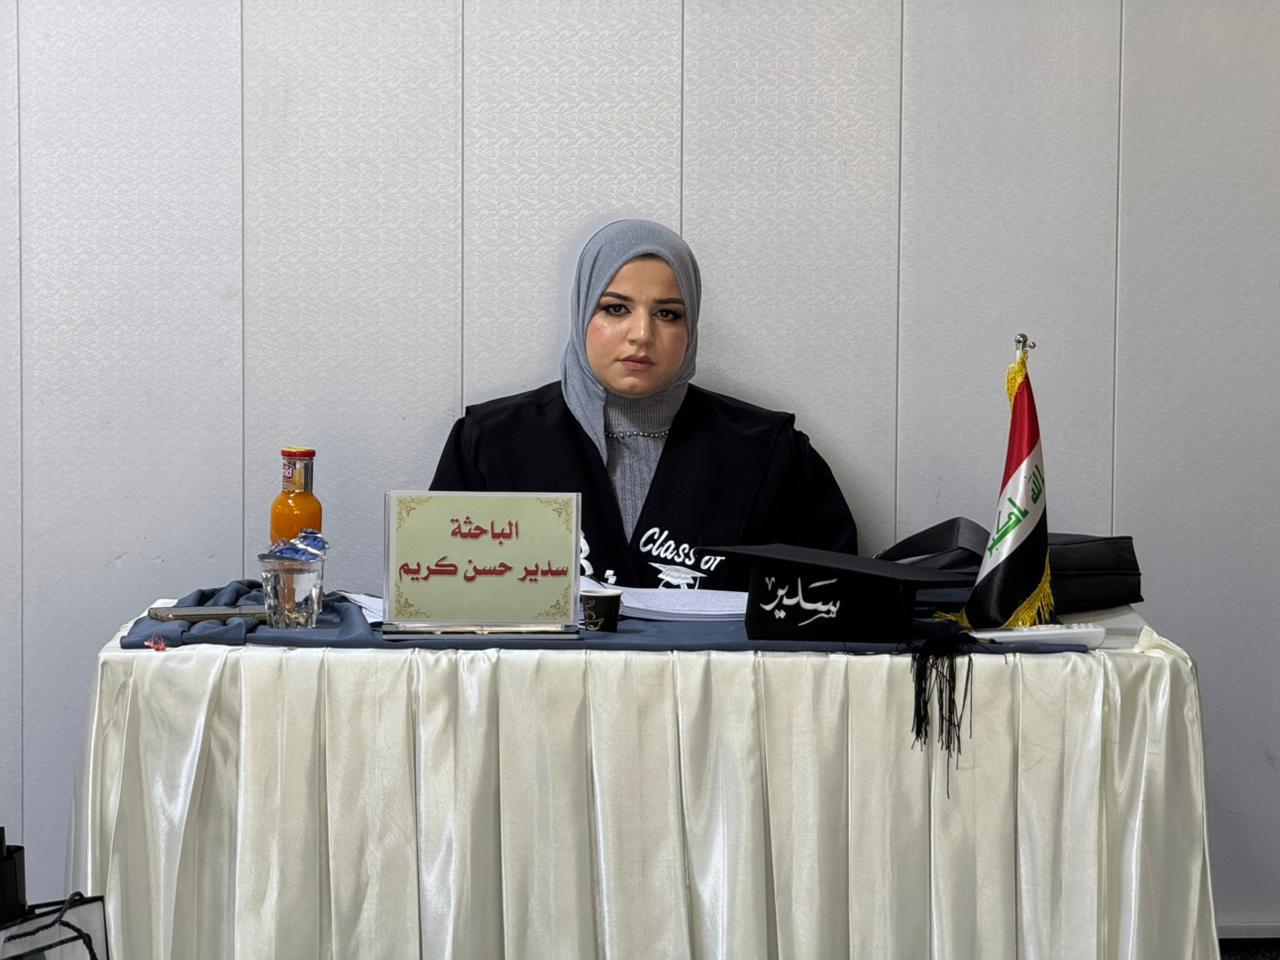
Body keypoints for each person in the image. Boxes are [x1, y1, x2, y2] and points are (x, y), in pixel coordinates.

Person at [431, 218, 857, 589]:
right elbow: (441, 599)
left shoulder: (768, 452)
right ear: (582, 312)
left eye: (667, 313)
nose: (641, 335)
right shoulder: (492, 444)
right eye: (615, 308)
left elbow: (828, 606)